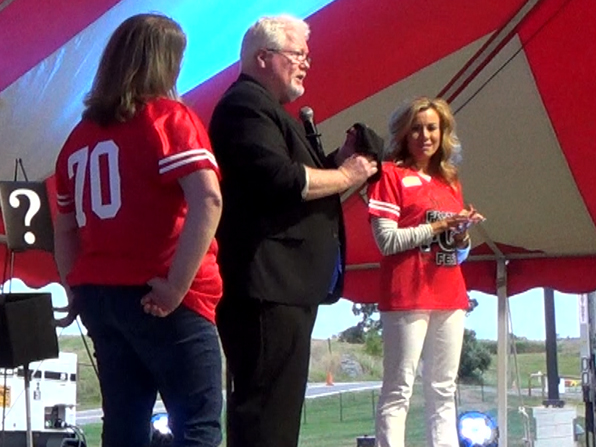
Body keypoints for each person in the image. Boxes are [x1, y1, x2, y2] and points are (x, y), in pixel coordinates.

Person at [53, 14, 223, 447]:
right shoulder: (169, 118)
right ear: (163, 63)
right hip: (161, 294)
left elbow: (65, 227)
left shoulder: (78, 137)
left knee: (124, 424)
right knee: (197, 425)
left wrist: (75, 290)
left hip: (101, 294)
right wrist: (176, 286)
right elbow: (208, 199)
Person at [208, 14, 378, 447]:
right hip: (268, 287)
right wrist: (347, 174)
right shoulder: (244, 106)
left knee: (277, 413)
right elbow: (281, 179)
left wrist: (339, 157)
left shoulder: (269, 113)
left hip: (285, 286)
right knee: (266, 414)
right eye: (298, 54)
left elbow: (296, 178)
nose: (306, 64)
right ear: (264, 58)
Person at [367, 97, 484, 447]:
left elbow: (458, 252)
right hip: (406, 294)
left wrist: (460, 232)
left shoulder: (449, 182)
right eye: (416, 128)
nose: (424, 136)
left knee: (443, 388)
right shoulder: (389, 175)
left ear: (443, 133)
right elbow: (387, 242)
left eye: (432, 128)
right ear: (403, 133)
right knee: (399, 387)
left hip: (449, 293)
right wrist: (436, 228)